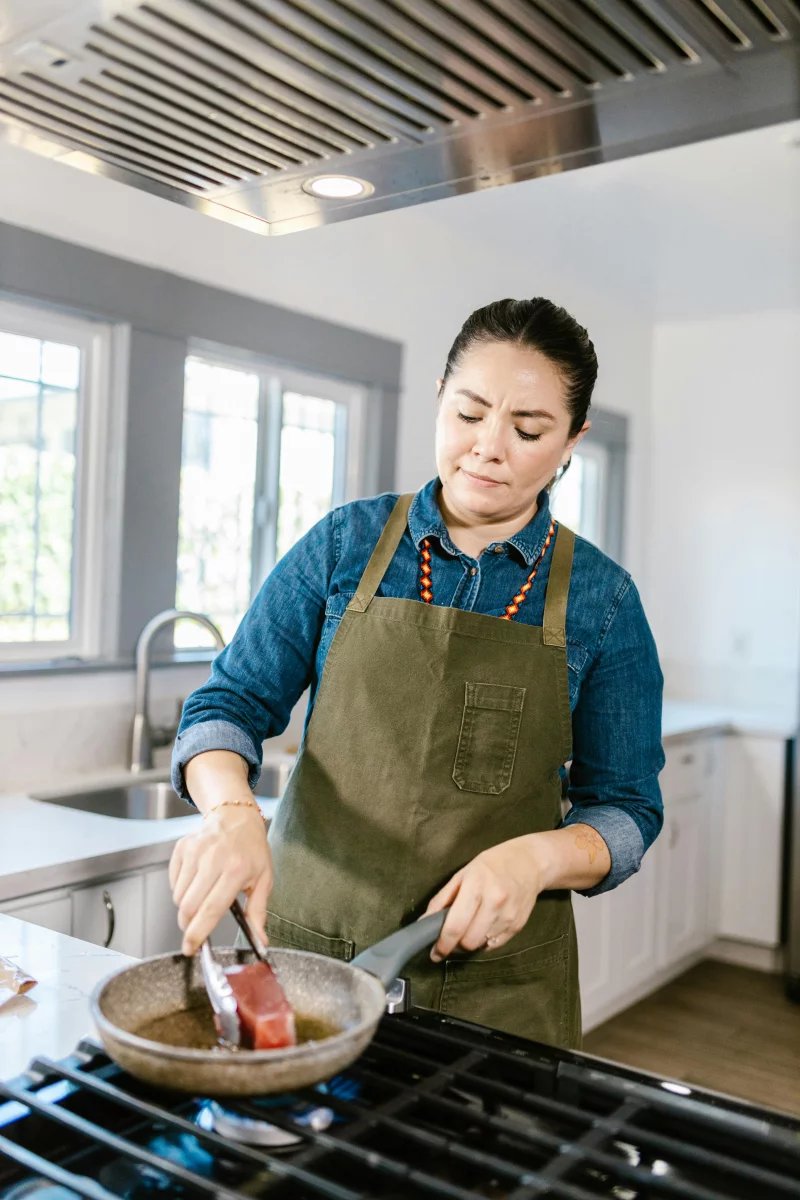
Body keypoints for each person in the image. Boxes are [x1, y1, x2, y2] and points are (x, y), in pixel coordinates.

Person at [169, 297, 664, 1048]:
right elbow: (227, 706)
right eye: (469, 413)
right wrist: (232, 815)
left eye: (528, 430)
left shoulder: (605, 602)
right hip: (307, 961)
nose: (488, 448)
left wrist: (538, 858)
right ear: (438, 399)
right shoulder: (344, 545)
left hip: (495, 992)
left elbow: (627, 810)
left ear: (571, 441)